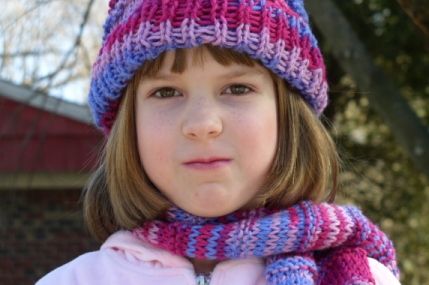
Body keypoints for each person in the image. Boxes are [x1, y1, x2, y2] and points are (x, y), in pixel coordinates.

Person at [37, 0, 401, 284]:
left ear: (289, 116)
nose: (202, 124)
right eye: (166, 92)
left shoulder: (361, 278)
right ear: (127, 126)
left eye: (237, 88)